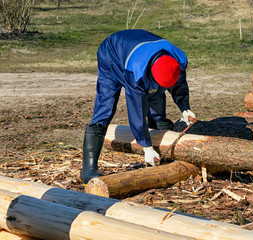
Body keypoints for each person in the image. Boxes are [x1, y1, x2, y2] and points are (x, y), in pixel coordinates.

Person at [80, 29, 196, 184]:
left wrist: (185, 108)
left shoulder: (176, 62)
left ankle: (161, 146)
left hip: (140, 49)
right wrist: (145, 146)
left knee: (155, 94)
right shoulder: (136, 71)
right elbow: (136, 111)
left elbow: (179, 85)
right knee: (106, 105)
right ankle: (88, 168)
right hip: (111, 54)